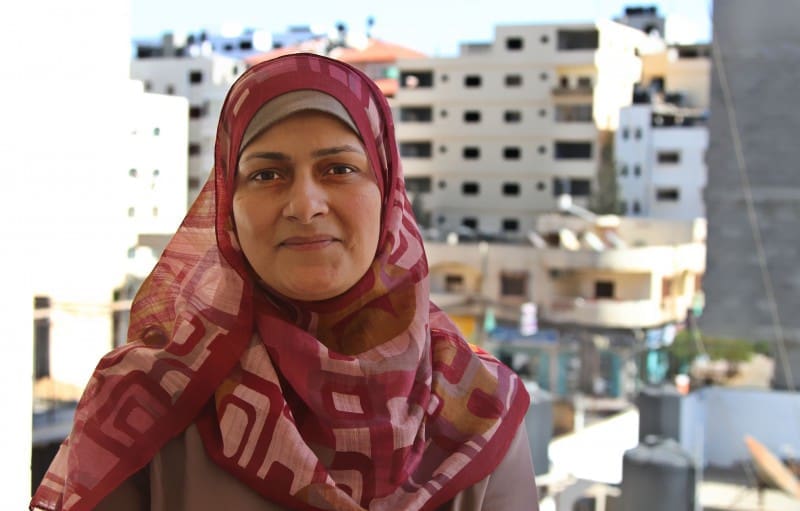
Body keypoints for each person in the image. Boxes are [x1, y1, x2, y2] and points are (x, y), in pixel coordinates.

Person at [31, 53, 538, 511]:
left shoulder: (479, 412)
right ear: (228, 207)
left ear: (387, 192)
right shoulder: (154, 398)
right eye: (266, 175)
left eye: (338, 168)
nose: (304, 205)